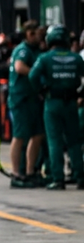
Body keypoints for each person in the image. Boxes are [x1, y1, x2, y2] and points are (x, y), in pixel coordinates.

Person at [29, 25, 84, 190]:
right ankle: (80, 177)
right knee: (74, 141)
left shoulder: (45, 58)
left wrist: (41, 91)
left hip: (52, 102)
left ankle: (58, 178)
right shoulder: (76, 58)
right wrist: (80, 93)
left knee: (54, 141)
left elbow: (33, 76)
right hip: (71, 102)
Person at [7, 21, 46, 188]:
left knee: (37, 135)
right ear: (29, 34)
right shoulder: (23, 50)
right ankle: (16, 173)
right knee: (19, 136)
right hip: (21, 99)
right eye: (37, 34)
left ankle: (30, 172)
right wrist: (36, 73)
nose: (40, 37)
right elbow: (19, 67)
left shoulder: (36, 50)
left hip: (33, 98)